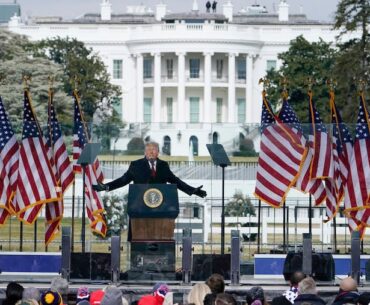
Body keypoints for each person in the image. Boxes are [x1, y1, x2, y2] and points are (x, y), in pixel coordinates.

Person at [93, 141, 206, 198]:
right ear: (144, 152)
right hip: (140, 205)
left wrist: (192, 191)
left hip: (160, 205)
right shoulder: (135, 165)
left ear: (158, 152)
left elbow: (176, 181)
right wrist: (106, 186)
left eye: (154, 150)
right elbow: (123, 180)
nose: (151, 152)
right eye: (148, 150)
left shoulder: (164, 165)